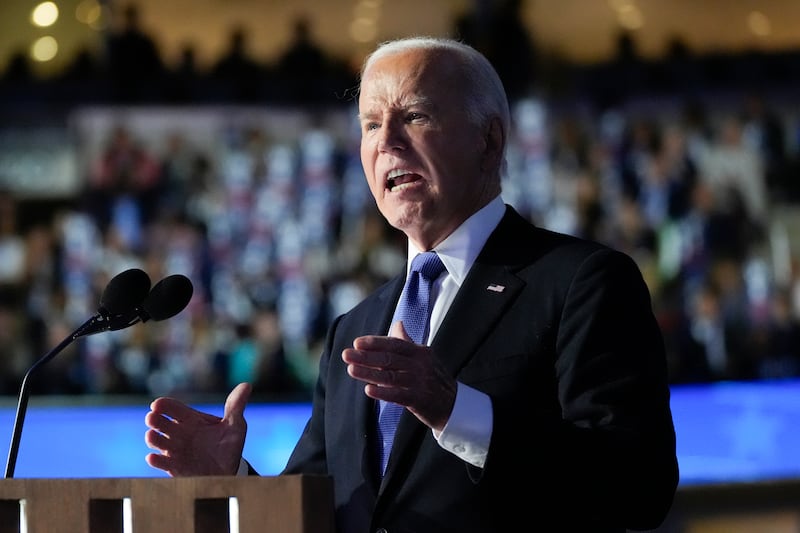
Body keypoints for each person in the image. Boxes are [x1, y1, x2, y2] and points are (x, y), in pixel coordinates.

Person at [144, 36, 679, 532]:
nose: (388, 142)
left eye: (415, 115)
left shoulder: (580, 283)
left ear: (489, 141)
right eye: (371, 124)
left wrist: (457, 411)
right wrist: (233, 478)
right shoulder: (353, 330)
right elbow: (319, 515)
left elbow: (639, 487)